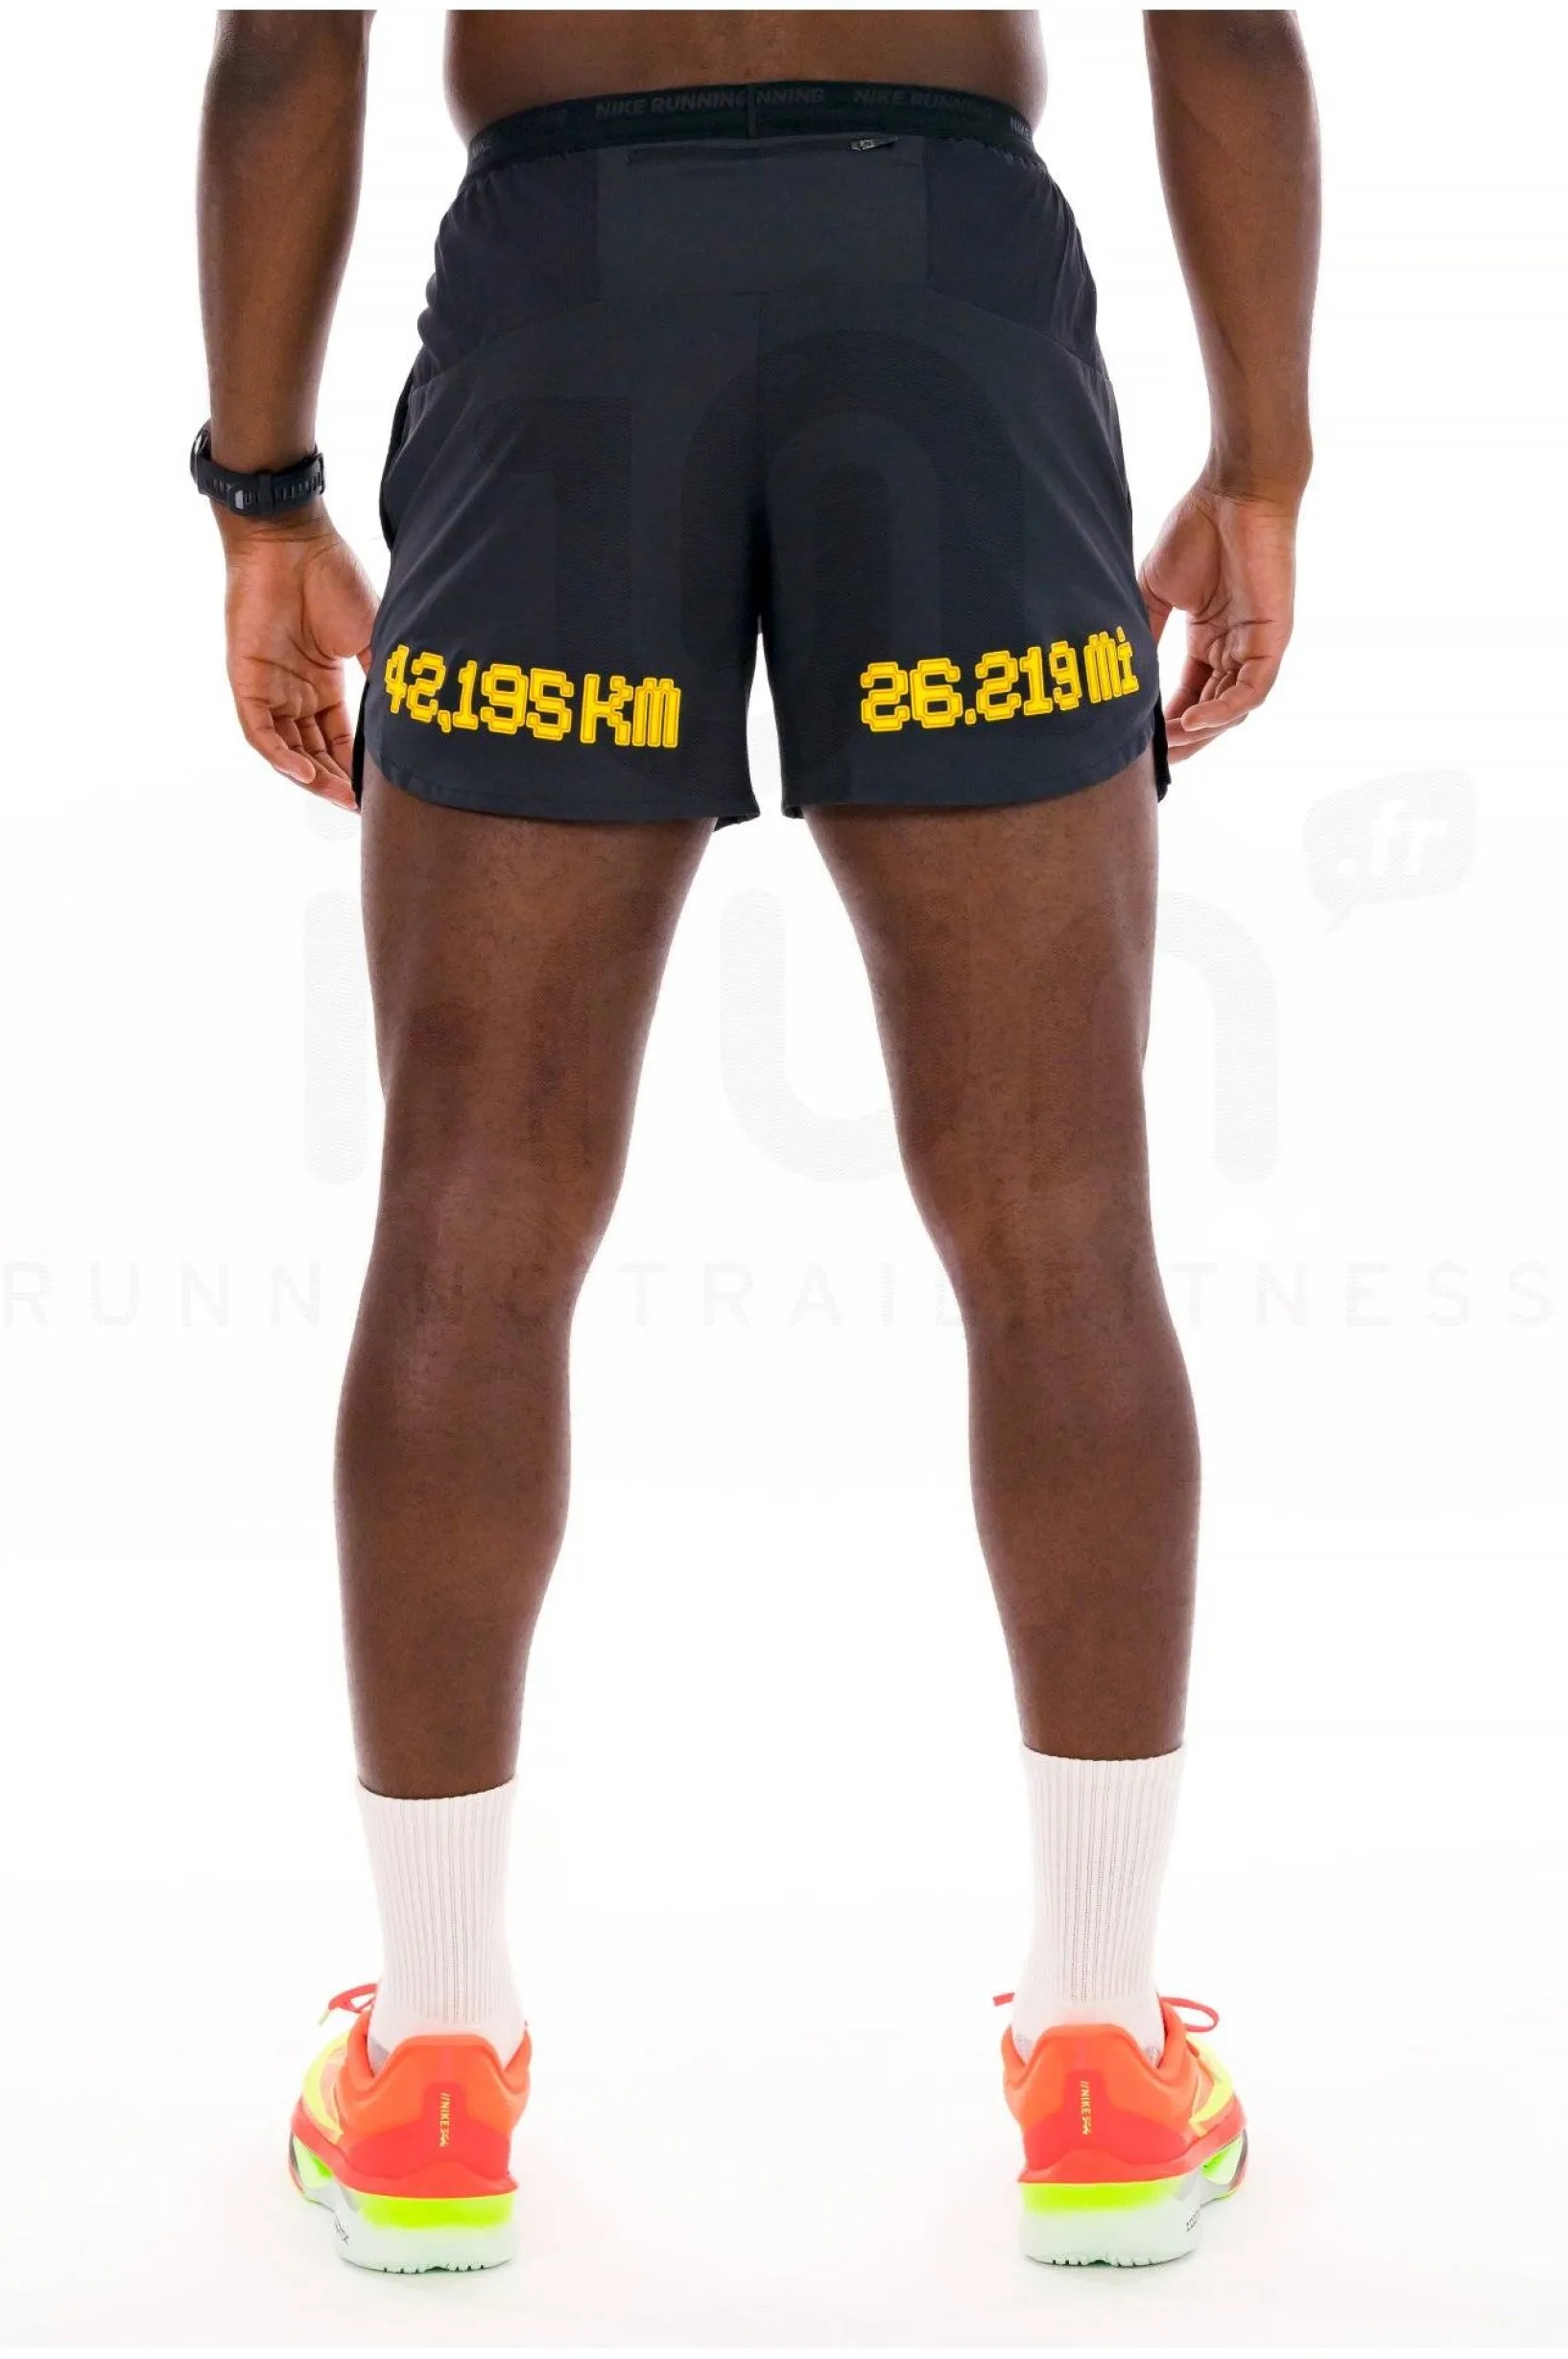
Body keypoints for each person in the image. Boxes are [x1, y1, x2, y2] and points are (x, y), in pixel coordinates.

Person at [196, 7, 1317, 2274]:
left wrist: (264, 493)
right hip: (948, 297)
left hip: (569, 300)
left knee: (468, 1220)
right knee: (1062, 1225)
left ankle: (431, 2065)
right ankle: (1102, 2050)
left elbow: (286, 41)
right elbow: (1226, 22)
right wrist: (1261, 455)